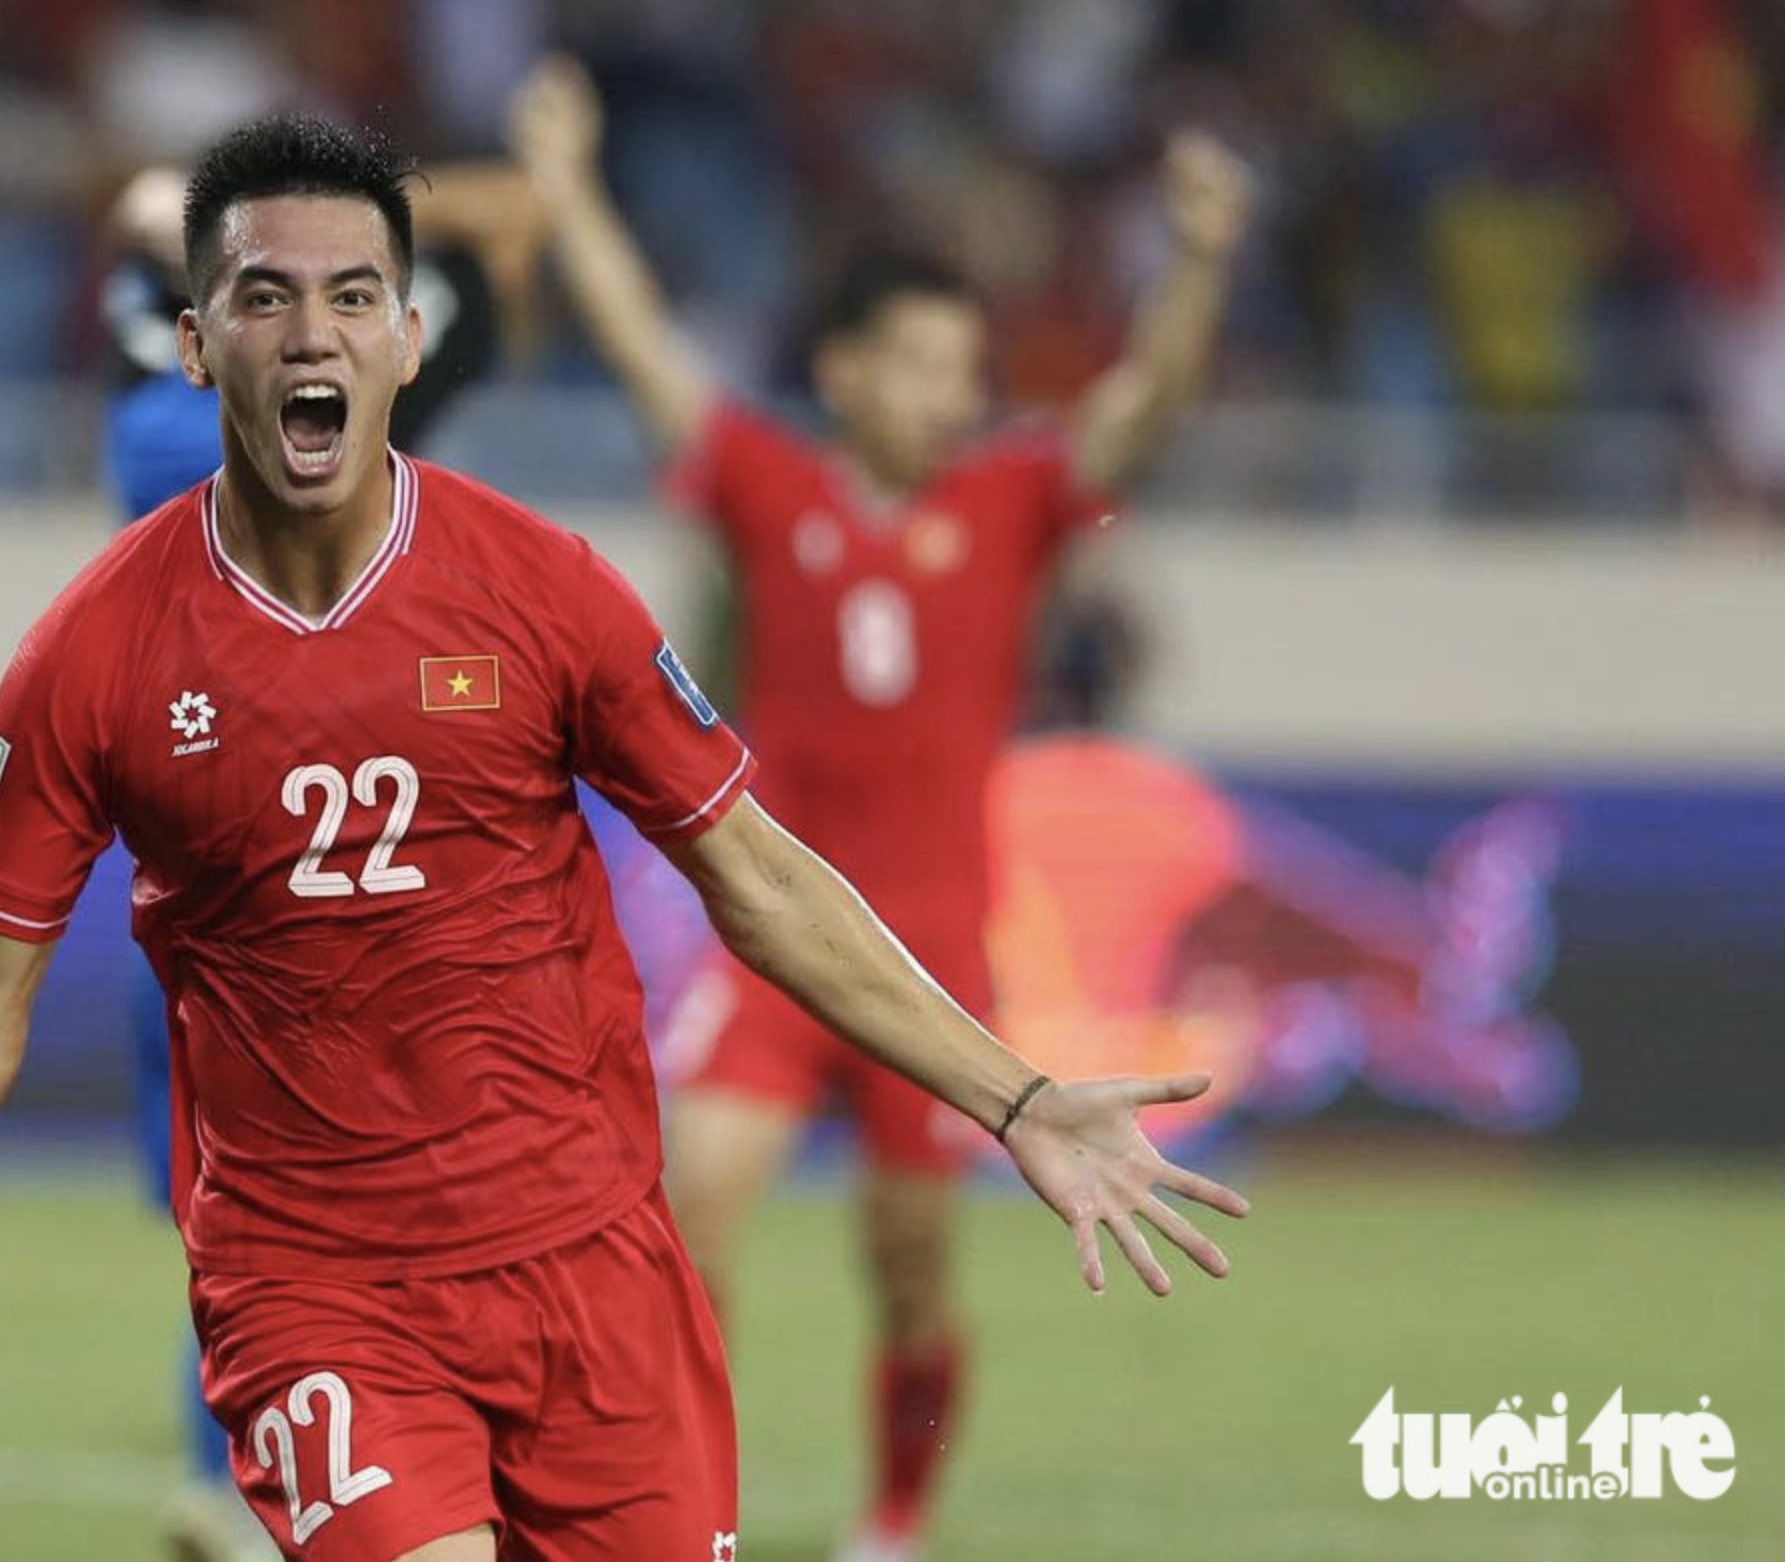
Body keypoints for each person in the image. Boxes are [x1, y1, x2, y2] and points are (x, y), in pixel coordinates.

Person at [0, 114, 1247, 1562]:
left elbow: (749, 872)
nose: (307, 332)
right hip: (314, 1287)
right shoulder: (95, 654)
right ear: (195, 345)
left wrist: (1017, 1095)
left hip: (593, 1266)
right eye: (263, 296)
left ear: (408, 337)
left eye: (348, 298)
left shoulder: (543, 592)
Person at [506, 58, 1255, 1562]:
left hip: (935, 958)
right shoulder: (767, 480)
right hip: (775, 948)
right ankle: (676, 1507)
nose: (952, 391)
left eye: (963, 365)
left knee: (910, 1269)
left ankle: (893, 1523)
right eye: (920, 361)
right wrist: (570, 185)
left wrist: (1200, 259)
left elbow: (1145, 404)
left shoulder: (1011, 500)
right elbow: (647, 348)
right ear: (844, 370)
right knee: (679, 1222)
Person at [98, 155, 540, 1562]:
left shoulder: (145, 418)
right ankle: (284, 1471)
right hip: (329, 902)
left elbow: (140, 205)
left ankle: (229, 1472)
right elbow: (509, 247)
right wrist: (402, 202)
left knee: (232, 1198)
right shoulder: (326, 437)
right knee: (317, 1199)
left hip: (197, 873)